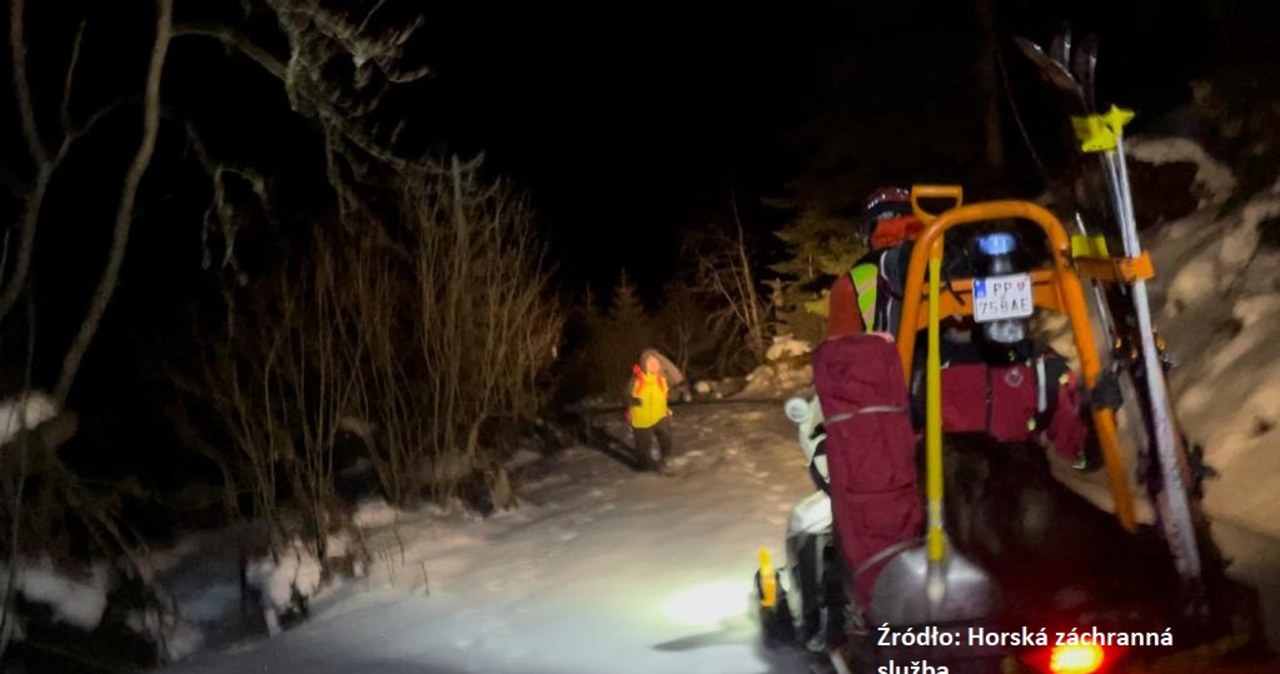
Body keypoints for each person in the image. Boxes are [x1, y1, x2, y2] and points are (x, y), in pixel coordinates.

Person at [627, 349, 675, 474]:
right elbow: (625, 396)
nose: (654, 364)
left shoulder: (662, 379)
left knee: (666, 440)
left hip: (660, 415)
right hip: (641, 418)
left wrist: (667, 409)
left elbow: (673, 384)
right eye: (650, 362)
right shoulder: (636, 380)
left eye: (656, 362)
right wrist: (634, 403)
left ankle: (664, 461)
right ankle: (644, 470)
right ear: (643, 364)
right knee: (643, 448)